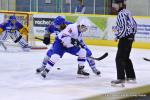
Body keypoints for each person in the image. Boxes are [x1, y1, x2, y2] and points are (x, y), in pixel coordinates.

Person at [36, 16, 100, 76]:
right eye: (55, 24)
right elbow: (47, 30)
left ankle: (92, 68)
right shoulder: (53, 26)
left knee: (87, 52)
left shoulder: (70, 25)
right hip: (59, 44)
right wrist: (46, 37)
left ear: (63, 23)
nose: (56, 26)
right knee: (49, 55)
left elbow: (77, 36)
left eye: (57, 25)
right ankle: (43, 67)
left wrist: (81, 44)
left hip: (70, 45)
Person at [111, 3, 137, 86]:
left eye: (115, 4)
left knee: (119, 58)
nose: (113, 6)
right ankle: (131, 77)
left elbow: (124, 27)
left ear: (120, 5)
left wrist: (118, 36)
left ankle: (120, 79)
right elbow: (135, 25)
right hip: (130, 37)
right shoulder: (127, 12)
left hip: (125, 38)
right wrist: (133, 35)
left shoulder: (121, 14)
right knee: (125, 58)